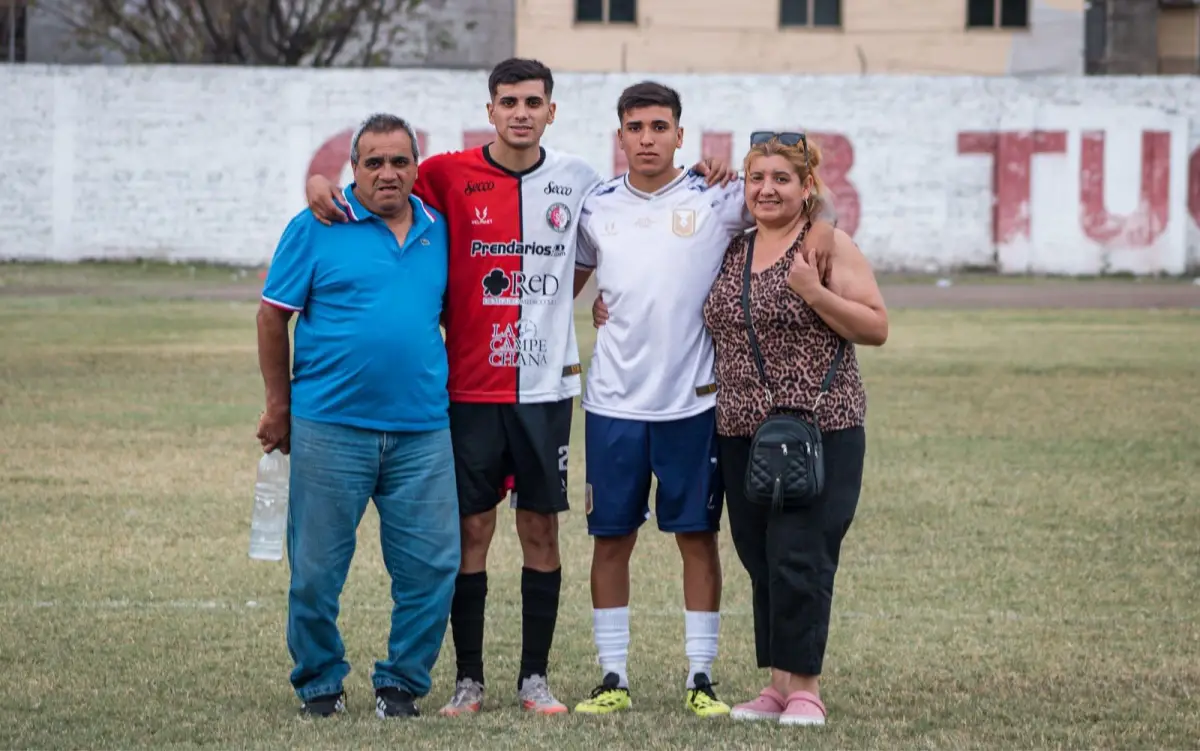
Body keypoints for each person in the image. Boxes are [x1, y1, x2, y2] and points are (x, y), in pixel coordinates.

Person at [302, 58, 738, 717]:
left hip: (546, 390)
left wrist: (579, 304)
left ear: (552, 111)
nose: (521, 112)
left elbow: (603, 253)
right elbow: (382, 178)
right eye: (508, 101)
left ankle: (534, 678)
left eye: (533, 101)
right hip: (470, 389)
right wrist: (317, 182)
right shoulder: (447, 172)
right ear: (491, 108)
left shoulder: (582, 181)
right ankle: (468, 681)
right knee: (472, 529)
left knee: (541, 527)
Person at [572, 85, 838, 717]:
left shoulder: (716, 196)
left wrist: (824, 223)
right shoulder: (596, 205)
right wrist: (592, 309)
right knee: (611, 539)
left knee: (697, 536)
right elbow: (570, 282)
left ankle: (701, 678)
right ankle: (613, 677)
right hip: (613, 401)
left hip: (693, 404)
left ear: (679, 134)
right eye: (634, 126)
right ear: (620, 135)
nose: (646, 137)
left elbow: (797, 199)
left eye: (659, 125)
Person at [255, 113, 460, 720]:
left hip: (423, 431)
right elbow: (272, 317)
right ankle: (319, 682)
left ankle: (400, 684)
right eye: (374, 162)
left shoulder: (439, 230)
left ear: (416, 169)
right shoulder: (317, 225)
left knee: (432, 568)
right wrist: (278, 406)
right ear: (354, 169)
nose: (388, 173)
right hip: (329, 427)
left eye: (399, 161)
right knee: (316, 573)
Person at [701, 132, 888, 727]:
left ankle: (806, 687)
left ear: (807, 188)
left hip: (818, 425)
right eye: (758, 178)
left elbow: (876, 326)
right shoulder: (735, 247)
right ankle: (778, 686)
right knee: (760, 556)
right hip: (740, 429)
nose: (767, 189)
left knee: (801, 554)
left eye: (782, 179)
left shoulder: (828, 248)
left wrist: (812, 292)